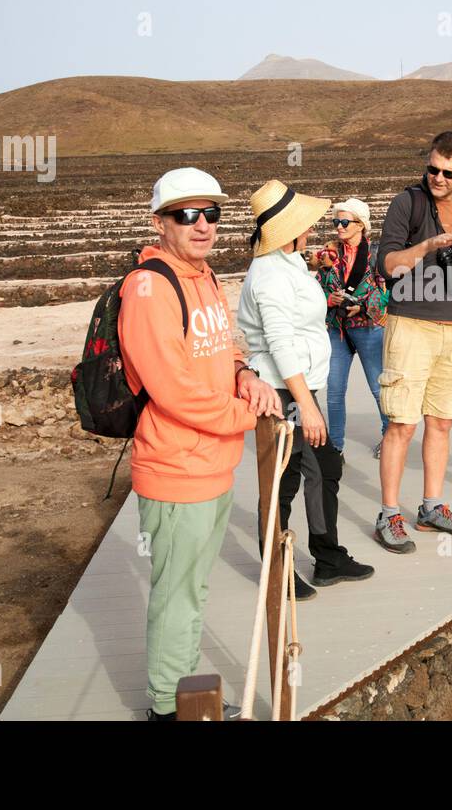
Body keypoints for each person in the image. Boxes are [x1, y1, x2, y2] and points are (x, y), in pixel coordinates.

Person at [117, 166, 283, 722]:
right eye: (187, 214)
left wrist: (246, 376)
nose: (202, 224)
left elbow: (222, 348)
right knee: (177, 598)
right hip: (175, 468)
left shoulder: (205, 276)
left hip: (213, 465)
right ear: (160, 222)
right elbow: (175, 392)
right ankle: (168, 710)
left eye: (211, 213)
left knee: (192, 591)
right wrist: (245, 416)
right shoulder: (149, 288)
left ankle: (188, 698)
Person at [237, 179, 375, 595]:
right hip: (281, 392)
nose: (314, 228)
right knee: (284, 480)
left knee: (324, 469)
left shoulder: (290, 261)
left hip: (300, 389)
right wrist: (307, 407)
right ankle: (277, 575)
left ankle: (328, 557)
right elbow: (279, 344)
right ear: (286, 228)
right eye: (305, 223)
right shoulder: (269, 275)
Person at [373, 131, 452, 553]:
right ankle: (388, 513)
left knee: (441, 421)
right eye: (432, 168)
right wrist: (427, 246)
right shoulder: (407, 203)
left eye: (447, 172)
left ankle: (431, 507)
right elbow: (388, 264)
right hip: (411, 323)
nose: (437, 177)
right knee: (401, 424)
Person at [315, 198, 391, 460]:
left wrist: (364, 305)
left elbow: (389, 291)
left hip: (369, 328)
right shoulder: (328, 255)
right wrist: (329, 299)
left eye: (345, 222)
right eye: (336, 221)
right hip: (337, 329)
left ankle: (390, 438)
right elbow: (317, 287)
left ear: (361, 225)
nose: (339, 226)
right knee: (334, 391)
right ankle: (336, 447)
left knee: (378, 388)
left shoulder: (376, 256)